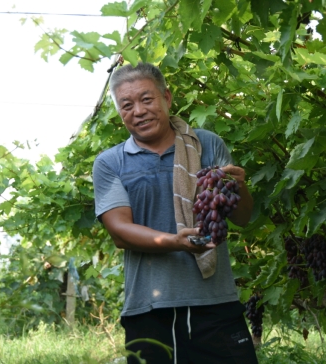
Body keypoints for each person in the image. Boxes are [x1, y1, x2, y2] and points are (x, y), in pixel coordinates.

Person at [92, 62, 258, 364]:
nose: (138, 111)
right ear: (119, 113)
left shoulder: (206, 144)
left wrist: (239, 187)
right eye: (126, 105)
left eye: (146, 99)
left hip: (216, 305)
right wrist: (175, 241)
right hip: (149, 309)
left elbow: (242, 217)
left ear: (166, 98)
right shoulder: (110, 162)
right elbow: (119, 232)